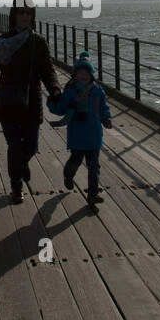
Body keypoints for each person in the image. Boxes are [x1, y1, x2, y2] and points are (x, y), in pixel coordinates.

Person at [0, 0, 60, 203]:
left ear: (33, 16)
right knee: (14, 146)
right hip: (7, 101)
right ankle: (16, 186)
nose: (24, 17)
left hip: (32, 101)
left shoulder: (38, 43)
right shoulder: (2, 44)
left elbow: (48, 70)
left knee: (30, 146)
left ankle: (22, 164)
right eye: (21, 13)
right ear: (14, 15)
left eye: (28, 13)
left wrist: (55, 89)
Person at [48, 51, 113, 207]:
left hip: (94, 133)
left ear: (92, 75)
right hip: (77, 132)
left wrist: (106, 118)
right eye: (80, 72)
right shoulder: (70, 91)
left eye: (87, 72)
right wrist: (52, 101)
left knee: (94, 166)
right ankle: (68, 175)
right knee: (75, 161)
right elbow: (61, 109)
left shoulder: (98, 91)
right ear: (74, 75)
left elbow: (103, 107)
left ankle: (92, 194)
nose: (83, 75)